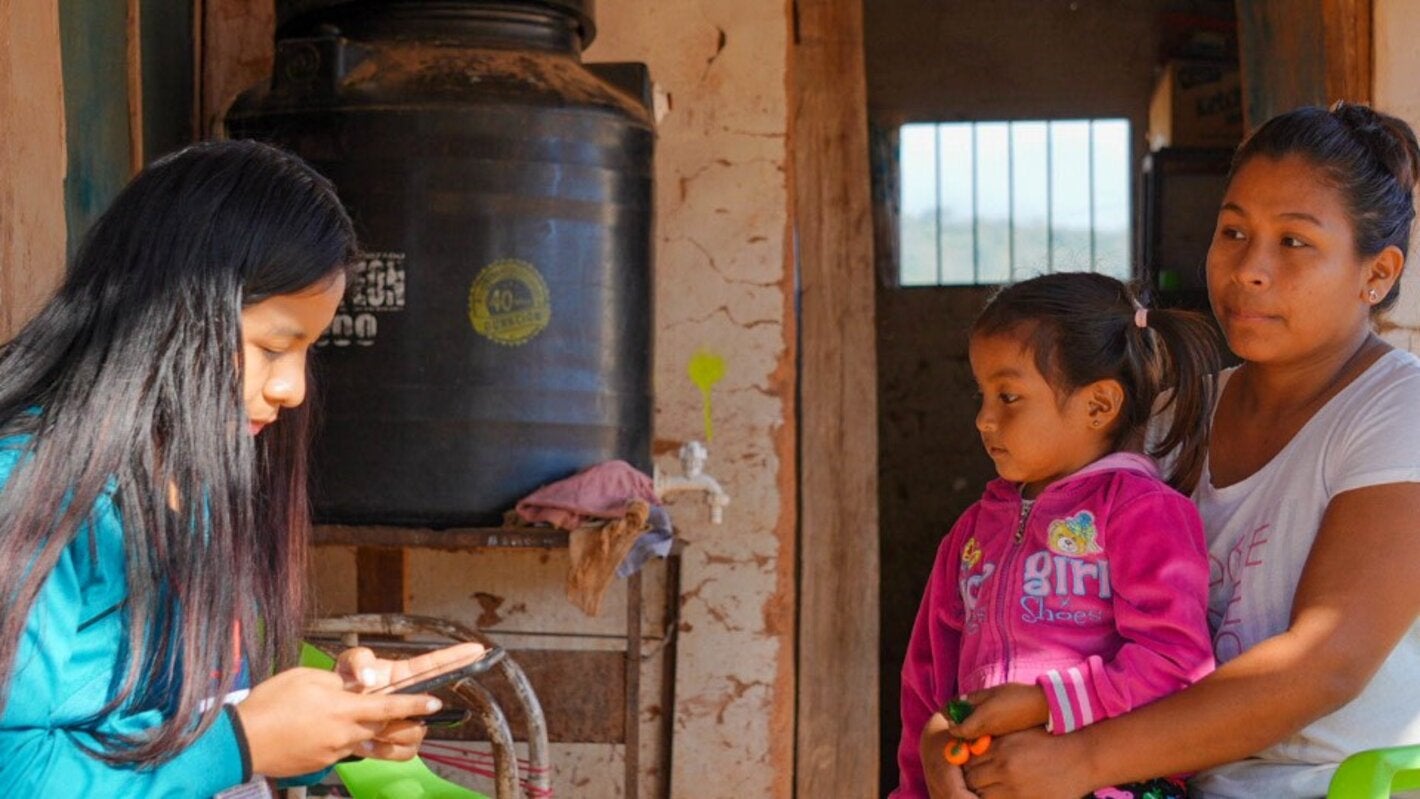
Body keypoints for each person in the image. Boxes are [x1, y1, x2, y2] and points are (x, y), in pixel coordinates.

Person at [952, 103, 1420, 799]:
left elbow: (1325, 663)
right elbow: (1038, 608)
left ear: (1376, 273)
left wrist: (1080, 759)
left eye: (1294, 242)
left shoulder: (1397, 411)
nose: (1249, 269)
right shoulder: (1169, 415)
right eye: (1233, 230)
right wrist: (957, 735)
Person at [0, 139, 481, 797]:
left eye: (306, 352)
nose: (294, 390)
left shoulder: (185, 484)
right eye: (272, 346)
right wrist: (243, 743)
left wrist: (332, 722)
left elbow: (191, 722)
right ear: (166, 315)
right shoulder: (26, 487)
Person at [893, 271, 1223, 799]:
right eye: (982, 395)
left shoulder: (1143, 513)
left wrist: (1046, 701)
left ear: (1098, 406)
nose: (984, 419)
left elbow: (1176, 664)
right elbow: (927, 686)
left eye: (1009, 396)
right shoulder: (970, 535)